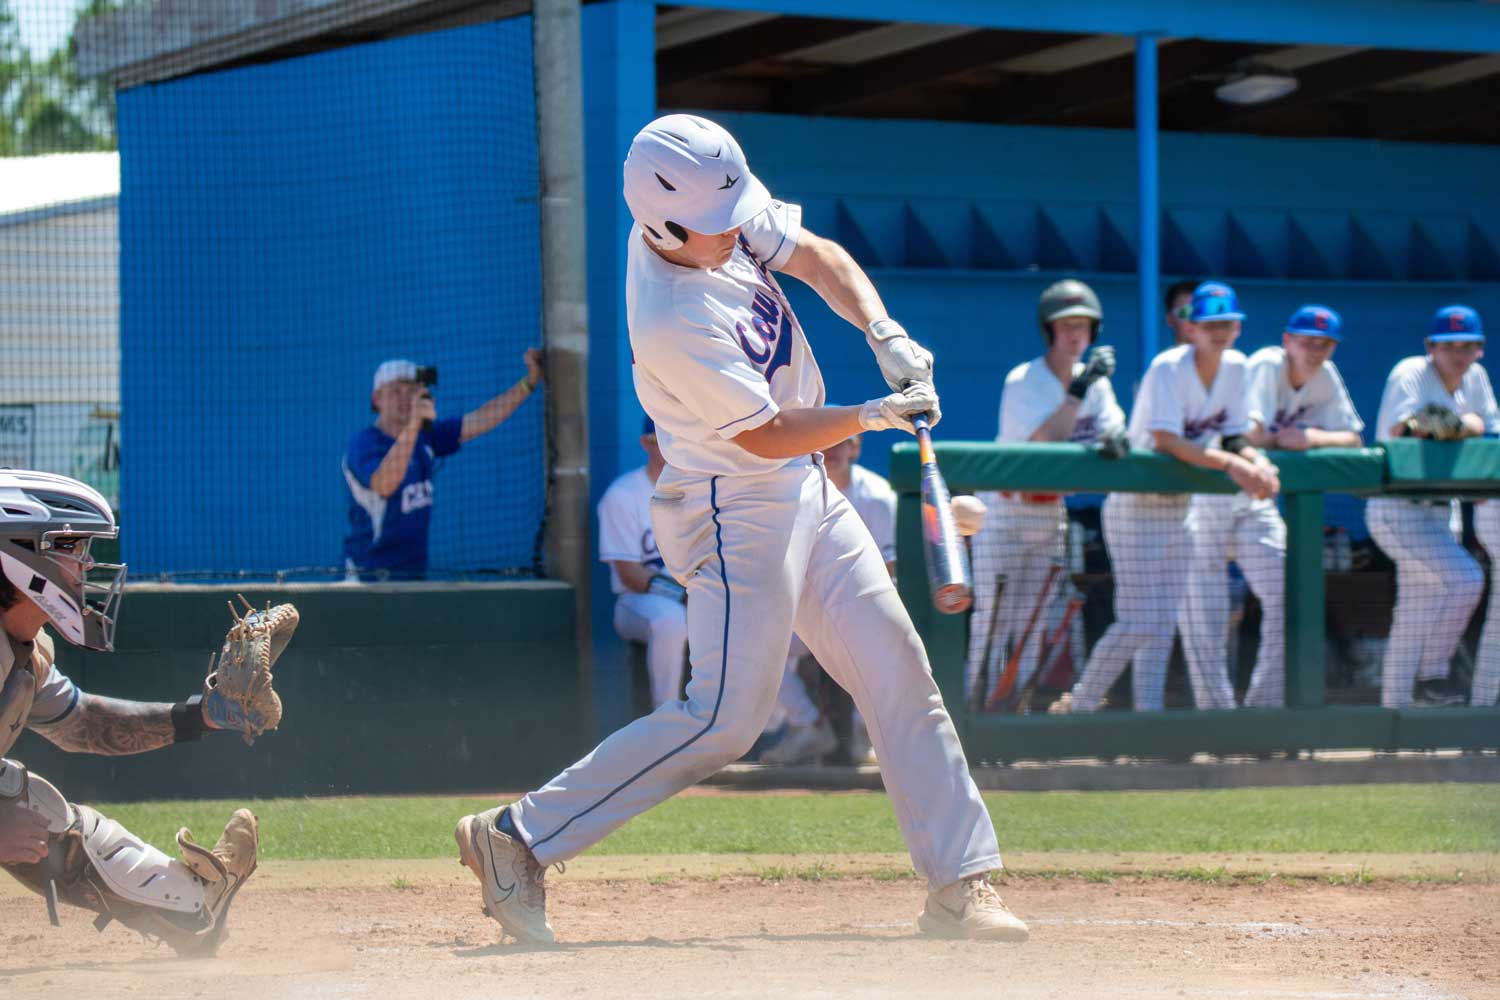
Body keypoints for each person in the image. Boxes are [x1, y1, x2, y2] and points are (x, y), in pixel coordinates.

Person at [454, 113, 1026, 945]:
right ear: (663, 224)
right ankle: (517, 837)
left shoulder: (711, 211)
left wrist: (884, 332)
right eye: (715, 226)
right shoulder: (671, 318)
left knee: (899, 671)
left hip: (803, 487)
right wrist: (870, 414)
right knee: (724, 718)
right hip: (733, 505)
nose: (734, 232)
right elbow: (765, 434)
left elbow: (817, 257)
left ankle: (959, 883)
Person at [0, 471, 260, 955]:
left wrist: (203, 715)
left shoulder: (22, 653)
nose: (87, 563)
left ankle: (190, 911)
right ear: (19, 552)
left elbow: (85, 723)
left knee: (26, 805)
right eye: (71, 547)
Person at [1053, 282, 1279, 714]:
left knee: (1162, 625)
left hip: (1181, 506)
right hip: (1137, 506)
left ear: (1237, 328)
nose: (1219, 332)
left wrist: (1258, 461)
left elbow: (1235, 437)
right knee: (1140, 621)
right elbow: (1167, 440)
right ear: (1191, 327)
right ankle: (1080, 703)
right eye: (1210, 324)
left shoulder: (1237, 367)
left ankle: (1148, 717)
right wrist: (1235, 466)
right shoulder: (1168, 367)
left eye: (1227, 324)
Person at [965, 279, 1124, 708]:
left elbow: (1114, 433)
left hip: (1050, 513)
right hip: (1006, 510)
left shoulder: (1098, 387)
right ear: (1049, 329)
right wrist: (1077, 393)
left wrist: (1115, 437)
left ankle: (1015, 711)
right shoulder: (1024, 380)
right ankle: (972, 712)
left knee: (1034, 622)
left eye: (1083, 326)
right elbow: (1042, 447)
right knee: (991, 621)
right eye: (1066, 325)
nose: (1075, 334)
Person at [1367, 305, 1498, 708]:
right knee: (1466, 579)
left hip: (1444, 510)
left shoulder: (1476, 378)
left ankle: (1393, 715)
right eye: (1448, 346)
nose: (1458, 354)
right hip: (1399, 509)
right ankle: (1433, 672)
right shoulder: (1410, 372)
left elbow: (1490, 434)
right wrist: (1466, 424)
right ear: (1430, 347)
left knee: (1413, 616)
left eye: (1467, 346)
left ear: (1480, 348)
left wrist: (1453, 426)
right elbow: (1405, 428)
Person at [760, 434, 904, 765]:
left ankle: (867, 733)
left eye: (842, 442)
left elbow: (887, 569)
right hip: (806, 608)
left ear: (855, 448)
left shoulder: (878, 495)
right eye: (826, 441)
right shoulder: (794, 491)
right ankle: (807, 725)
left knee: (873, 638)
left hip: (861, 606)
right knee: (756, 639)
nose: (833, 449)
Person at [342, 350, 543, 580]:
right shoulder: (364, 444)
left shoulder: (425, 437)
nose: (405, 398)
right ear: (377, 398)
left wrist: (529, 383)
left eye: (412, 391)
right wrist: (415, 424)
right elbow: (384, 485)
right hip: (365, 582)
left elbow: (482, 418)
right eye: (395, 391)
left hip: (412, 580)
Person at [598, 417, 688, 710]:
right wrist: (684, 595)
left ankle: (775, 721)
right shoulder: (623, 495)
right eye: (663, 438)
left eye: (678, 437)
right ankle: (667, 717)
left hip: (699, 596)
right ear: (646, 443)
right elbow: (629, 574)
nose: (673, 445)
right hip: (638, 602)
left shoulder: (701, 491)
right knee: (670, 620)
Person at [1165, 279, 1200, 347]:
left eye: (1199, 311)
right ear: (1170, 319)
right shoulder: (1164, 356)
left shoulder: (1223, 354)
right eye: (1186, 312)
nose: (1194, 320)